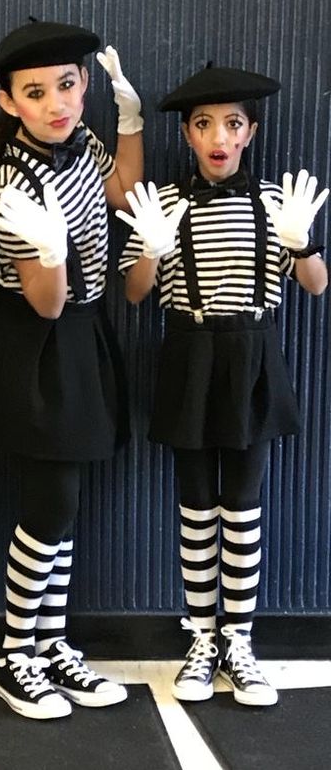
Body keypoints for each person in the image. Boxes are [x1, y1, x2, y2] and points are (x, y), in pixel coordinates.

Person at [117, 64, 328, 707]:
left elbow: (316, 286)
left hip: (252, 353)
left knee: (242, 504)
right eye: (204, 124)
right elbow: (133, 293)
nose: (219, 136)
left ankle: (240, 640)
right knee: (194, 506)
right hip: (187, 347)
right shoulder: (166, 204)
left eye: (232, 124)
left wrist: (300, 245)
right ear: (186, 134)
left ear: (250, 132)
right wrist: (150, 248)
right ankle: (201, 638)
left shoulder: (274, 203)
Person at [0, 19, 143, 719]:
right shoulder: (12, 179)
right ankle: (14, 655)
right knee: (49, 505)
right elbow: (46, 299)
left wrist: (128, 118)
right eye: (35, 92)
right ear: (10, 103)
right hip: (40, 341)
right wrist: (50, 250)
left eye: (68, 85)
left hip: (84, 332)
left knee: (63, 508)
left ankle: (50, 642)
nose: (56, 103)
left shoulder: (84, 144)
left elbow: (123, 191)